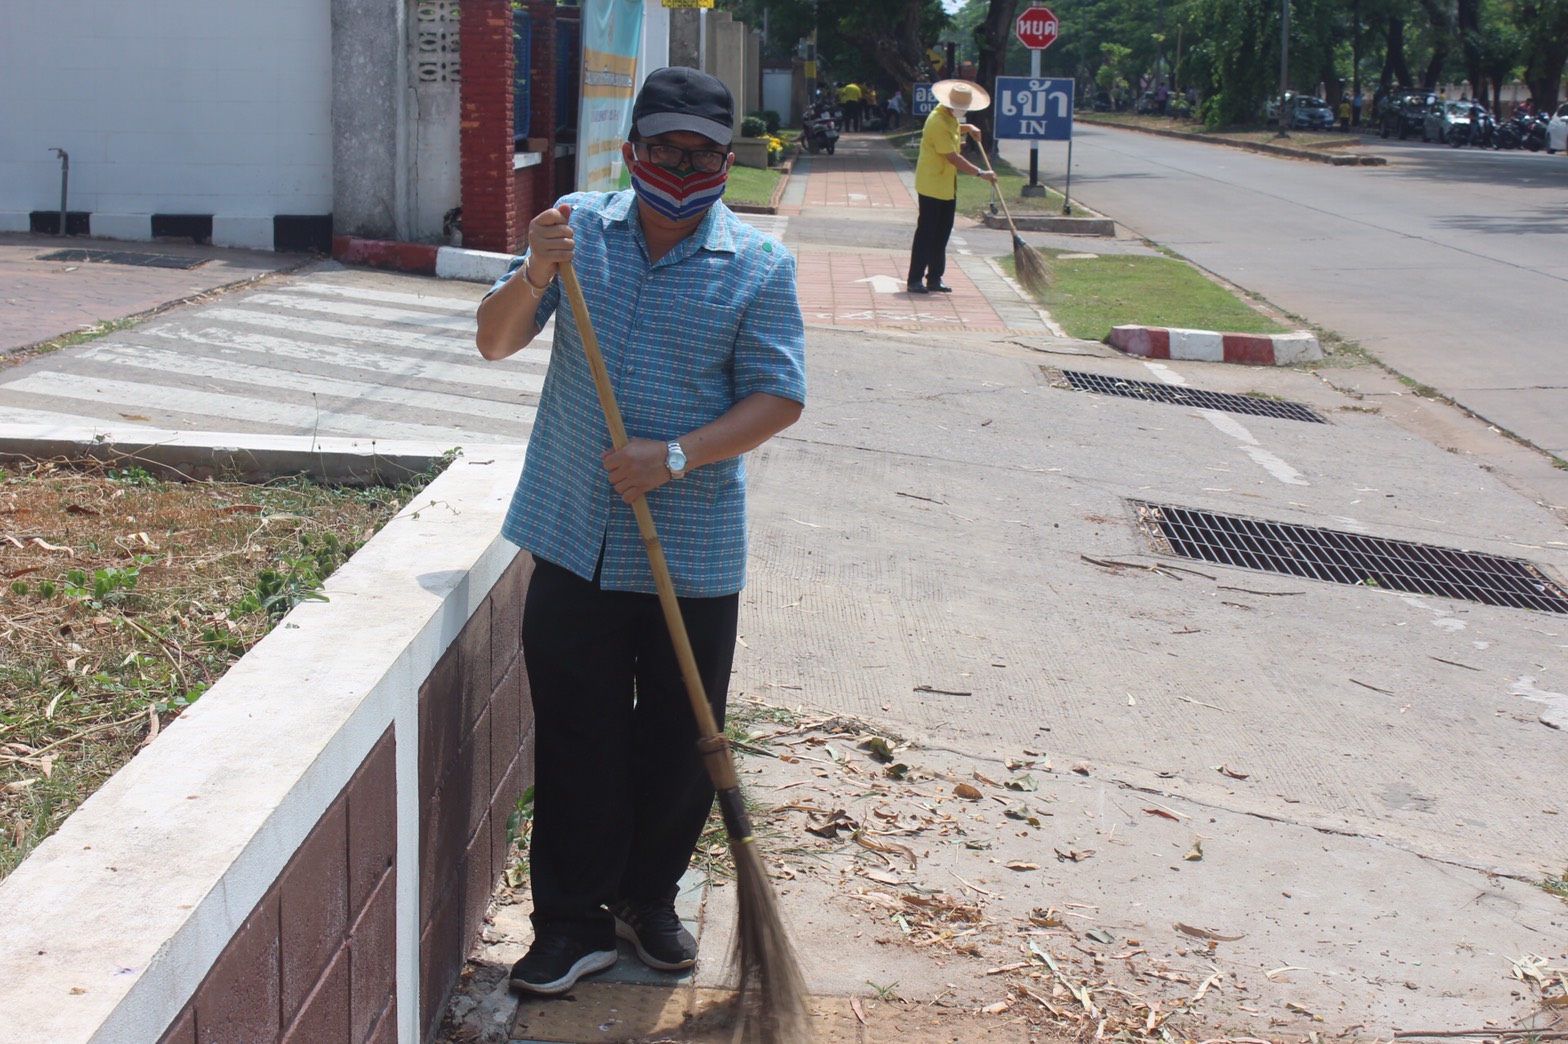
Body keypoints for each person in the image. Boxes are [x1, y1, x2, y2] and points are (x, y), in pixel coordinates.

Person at [475, 65, 807, 997]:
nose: (680, 167)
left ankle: (647, 900)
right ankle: (570, 924)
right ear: (632, 152)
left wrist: (674, 457)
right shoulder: (574, 233)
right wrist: (535, 269)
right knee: (577, 738)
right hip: (573, 537)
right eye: (663, 149)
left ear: (726, 162)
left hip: (692, 552)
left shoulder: (757, 265)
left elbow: (779, 396)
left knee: (677, 744)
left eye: (700, 153)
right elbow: (495, 339)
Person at [907, 80, 998, 294]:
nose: (964, 110)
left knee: (943, 232)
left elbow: (955, 129)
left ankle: (935, 277)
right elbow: (952, 156)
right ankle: (915, 279)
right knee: (927, 232)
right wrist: (980, 173)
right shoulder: (938, 120)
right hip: (932, 184)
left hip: (947, 185)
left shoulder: (949, 118)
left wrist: (969, 128)